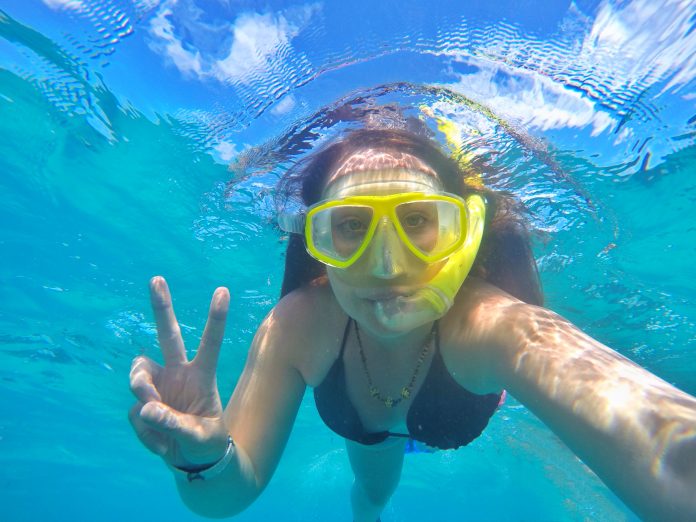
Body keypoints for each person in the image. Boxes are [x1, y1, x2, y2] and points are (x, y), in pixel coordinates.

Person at [128, 129, 696, 521]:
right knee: (372, 493)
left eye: (419, 221)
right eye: (350, 227)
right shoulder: (298, 325)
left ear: (465, 233)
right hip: (369, 429)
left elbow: (674, 458)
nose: (385, 265)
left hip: (456, 401)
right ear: (317, 246)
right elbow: (225, 496)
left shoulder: (491, 323)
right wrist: (203, 459)